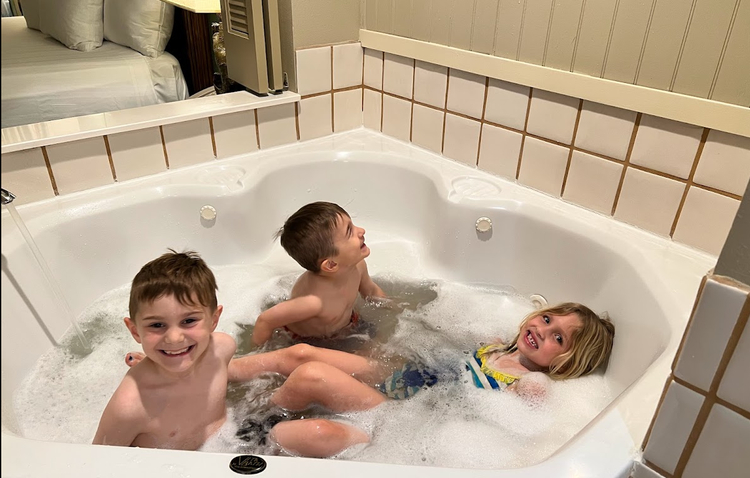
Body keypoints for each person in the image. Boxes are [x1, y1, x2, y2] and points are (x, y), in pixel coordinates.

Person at [94, 250, 369, 457]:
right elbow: (94, 463)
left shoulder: (220, 347)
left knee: (320, 419)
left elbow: (222, 376)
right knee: (318, 426)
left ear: (214, 319)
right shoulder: (131, 406)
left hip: (238, 435)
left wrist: (166, 367)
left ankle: (390, 425)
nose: (174, 337)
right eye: (156, 325)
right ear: (134, 331)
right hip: (187, 468)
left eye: (189, 321)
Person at [264, 302, 616, 453]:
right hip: (400, 379)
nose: (544, 330)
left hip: (397, 414)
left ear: (566, 363)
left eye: (559, 339)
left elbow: (523, 430)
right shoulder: (495, 345)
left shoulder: (526, 385)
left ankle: (255, 430)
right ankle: (248, 397)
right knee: (302, 354)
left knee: (310, 375)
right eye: (549, 319)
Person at [251, 202, 387, 346]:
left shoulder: (357, 266)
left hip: (349, 324)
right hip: (311, 342)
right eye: (350, 232)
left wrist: (397, 309)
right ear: (331, 264)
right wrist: (258, 354)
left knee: (385, 345)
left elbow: (371, 291)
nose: (362, 231)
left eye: (352, 225)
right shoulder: (313, 302)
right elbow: (265, 321)